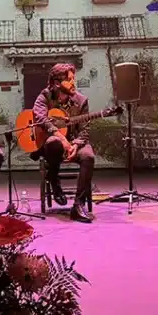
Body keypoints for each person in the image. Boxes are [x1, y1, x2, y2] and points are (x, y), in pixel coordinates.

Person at [32, 63, 94, 223]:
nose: (73, 82)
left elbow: (85, 130)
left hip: (76, 142)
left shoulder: (81, 101)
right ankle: (54, 180)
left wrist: (76, 144)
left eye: (74, 78)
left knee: (88, 156)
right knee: (54, 143)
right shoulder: (44, 97)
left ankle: (78, 205)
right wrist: (62, 139)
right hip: (54, 144)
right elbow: (41, 119)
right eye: (69, 80)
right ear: (57, 83)